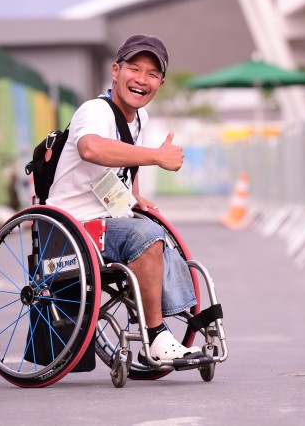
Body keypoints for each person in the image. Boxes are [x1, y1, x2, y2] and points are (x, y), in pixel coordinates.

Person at [46, 33, 202, 363]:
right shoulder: (94, 111)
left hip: (107, 223)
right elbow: (91, 149)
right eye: (134, 68)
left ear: (160, 83)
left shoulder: (139, 118)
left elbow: (125, 160)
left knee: (159, 233)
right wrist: (156, 156)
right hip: (71, 227)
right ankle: (156, 335)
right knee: (144, 235)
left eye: (152, 74)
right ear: (116, 71)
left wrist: (135, 196)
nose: (141, 80)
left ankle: (161, 324)